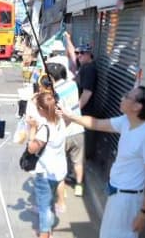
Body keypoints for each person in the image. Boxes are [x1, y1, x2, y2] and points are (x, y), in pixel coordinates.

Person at [60, 85, 145, 238]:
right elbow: (96, 124)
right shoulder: (126, 121)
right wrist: (71, 116)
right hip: (116, 194)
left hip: (128, 200)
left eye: (127, 96)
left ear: (137, 106)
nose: (122, 98)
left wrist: (143, 213)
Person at [25, 92, 67, 238]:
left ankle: (44, 234)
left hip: (46, 173)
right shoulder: (61, 121)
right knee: (48, 203)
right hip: (59, 171)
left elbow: (31, 148)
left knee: (44, 208)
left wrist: (32, 129)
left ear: (42, 110)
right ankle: (48, 231)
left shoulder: (45, 130)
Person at [46, 62, 84, 213]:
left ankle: (63, 192)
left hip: (63, 132)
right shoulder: (73, 85)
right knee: (78, 161)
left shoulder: (54, 92)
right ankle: (79, 187)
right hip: (78, 129)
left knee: (60, 164)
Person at [71, 43, 97, 196]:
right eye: (77, 53)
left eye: (81, 53)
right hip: (83, 113)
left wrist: (75, 112)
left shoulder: (89, 69)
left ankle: (79, 182)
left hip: (84, 113)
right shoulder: (85, 67)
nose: (78, 56)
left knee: (80, 149)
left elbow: (87, 93)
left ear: (89, 54)